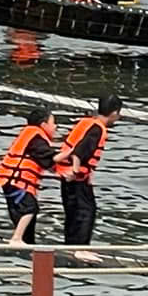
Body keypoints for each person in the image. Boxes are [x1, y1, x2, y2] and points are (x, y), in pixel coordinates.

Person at [57, 94, 121, 246]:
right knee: (85, 212)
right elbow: (78, 152)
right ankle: (80, 249)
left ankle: (71, 246)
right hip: (75, 178)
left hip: (67, 176)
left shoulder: (87, 122)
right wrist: (75, 171)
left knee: (73, 214)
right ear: (114, 113)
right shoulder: (97, 129)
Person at [0, 110, 60, 246]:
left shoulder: (30, 136)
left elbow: (46, 162)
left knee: (26, 220)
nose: (56, 127)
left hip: (9, 182)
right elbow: (50, 157)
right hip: (16, 182)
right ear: (43, 125)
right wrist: (71, 153)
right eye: (53, 123)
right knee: (30, 208)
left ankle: (25, 243)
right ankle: (16, 239)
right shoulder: (37, 138)